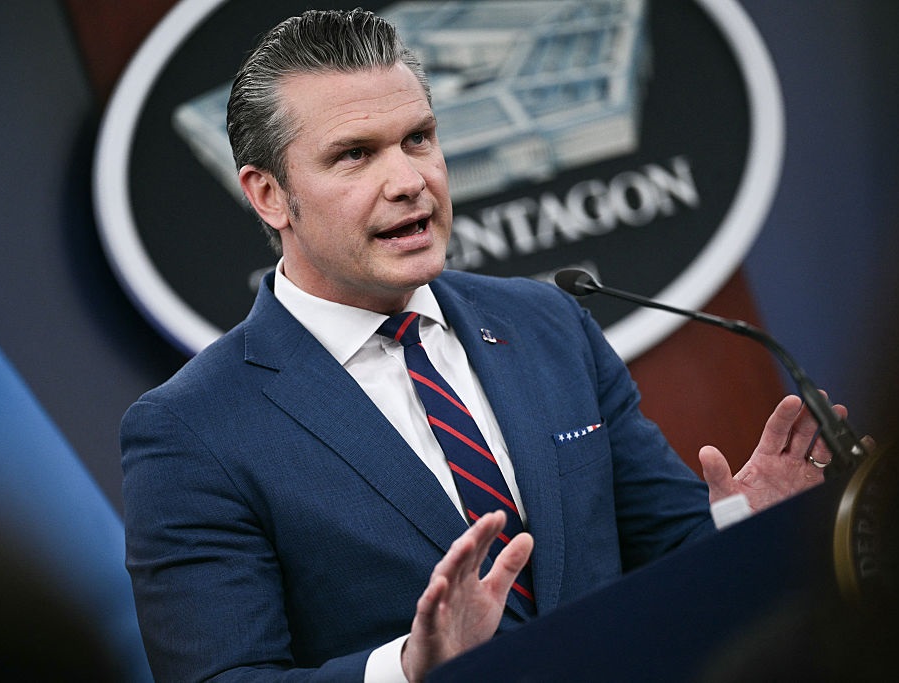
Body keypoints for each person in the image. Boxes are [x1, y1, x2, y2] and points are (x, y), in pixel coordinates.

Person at [121, 9, 846, 682]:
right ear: (268, 195)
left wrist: (747, 524)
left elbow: (666, 547)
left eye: (419, 139)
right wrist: (409, 668)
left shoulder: (547, 323)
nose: (410, 181)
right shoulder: (192, 429)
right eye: (355, 155)